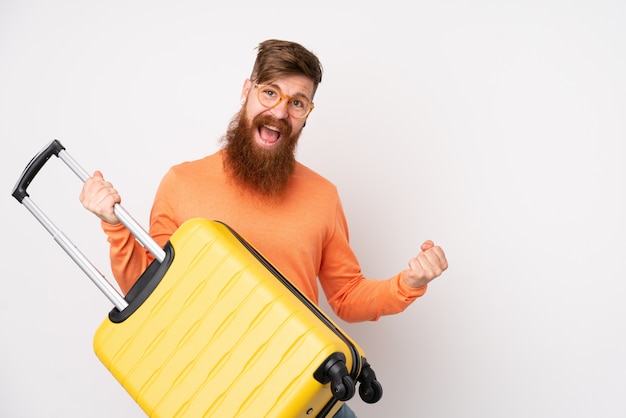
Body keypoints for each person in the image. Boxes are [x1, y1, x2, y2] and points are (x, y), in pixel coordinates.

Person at [80, 39, 448, 418]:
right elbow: (147, 294)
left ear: (307, 114)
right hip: (218, 401)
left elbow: (347, 297)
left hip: (308, 397)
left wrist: (409, 284)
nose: (279, 112)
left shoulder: (323, 197)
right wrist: (115, 226)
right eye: (269, 92)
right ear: (247, 90)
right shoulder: (182, 183)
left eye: (297, 102)